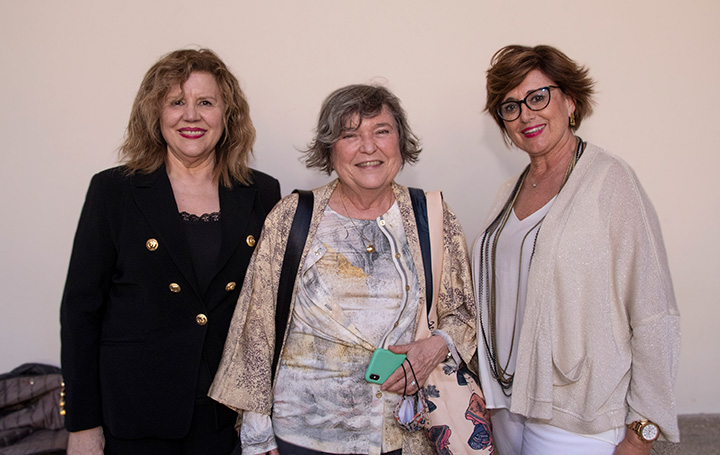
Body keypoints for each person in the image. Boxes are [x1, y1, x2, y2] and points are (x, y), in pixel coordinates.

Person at [209, 84, 477, 455]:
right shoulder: (293, 216)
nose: (369, 147)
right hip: (302, 436)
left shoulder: (431, 216)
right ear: (329, 148)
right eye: (350, 134)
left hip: (401, 434)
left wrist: (436, 346)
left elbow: (463, 313)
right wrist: (257, 437)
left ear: (400, 141)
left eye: (382, 131)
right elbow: (256, 329)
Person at [60, 48, 281, 454]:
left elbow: (269, 311)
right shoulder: (114, 191)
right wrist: (82, 425)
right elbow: (80, 313)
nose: (191, 116)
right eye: (176, 102)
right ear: (155, 114)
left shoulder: (262, 192)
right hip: (134, 416)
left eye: (205, 102)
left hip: (225, 419)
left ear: (227, 114)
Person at [471, 44, 680, 455]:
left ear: (569, 100)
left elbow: (655, 313)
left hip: (577, 415)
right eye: (510, 107)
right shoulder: (507, 192)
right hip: (506, 406)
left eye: (537, 97)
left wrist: (641, 434)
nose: (526, 115)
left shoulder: (610, 182)